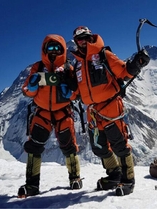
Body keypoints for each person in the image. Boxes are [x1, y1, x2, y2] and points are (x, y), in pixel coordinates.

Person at [69, 26, 150, 196]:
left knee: (119, 144)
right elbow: (78, 91)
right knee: (98, 147)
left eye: (85, 38)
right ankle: (114, 175)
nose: (82, 42)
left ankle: (128, 181)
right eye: (79, 40)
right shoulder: (77, 64)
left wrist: (137, 63)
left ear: (91, 37)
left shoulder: (104, 55)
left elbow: (124, 71)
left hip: (111, 106)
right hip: (92, 111)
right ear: (76, 42)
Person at [18, 34, 81, 198]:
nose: (53, 52)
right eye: (50, 48)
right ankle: (31, 185)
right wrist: (33, 84)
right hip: (42, 112)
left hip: (63, 112)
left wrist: (69, 92)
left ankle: (75, 178)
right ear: (44, 49)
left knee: (69, 146)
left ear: (63, 49)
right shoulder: (38, 68)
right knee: (34, 147)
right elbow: (27, 91)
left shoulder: (68, 68)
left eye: (57, 48)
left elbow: (77, 92)